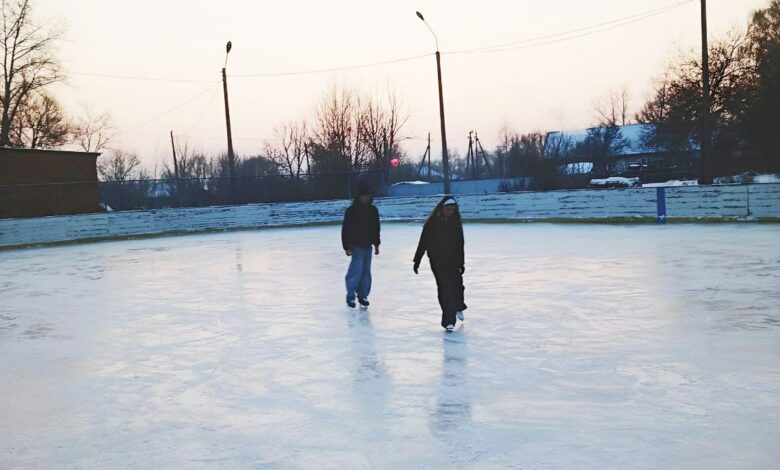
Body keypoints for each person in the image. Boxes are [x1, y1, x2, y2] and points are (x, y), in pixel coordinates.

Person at [413, 196, 467, 331]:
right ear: (442, 209)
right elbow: (423, 241)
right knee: (445, 288)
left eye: (453, 210)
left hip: (453, 259)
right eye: (448, 209)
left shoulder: (455, 222)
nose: (450, 212)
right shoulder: (432, 222)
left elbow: (460, 243)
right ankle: (448, 320)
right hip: (438, 261)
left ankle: (458, 306)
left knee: (457, 285)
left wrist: (461, 262)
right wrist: (417, 260)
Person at [341, 185, 380, 308]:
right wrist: (346, 246)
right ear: (359, 197)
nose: (366, 198)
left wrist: (377, 244)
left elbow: (376, 228)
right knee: (356, 270)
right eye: (364, 196)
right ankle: (350, 296)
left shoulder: (373, 210)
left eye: (368, 196)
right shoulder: (351, 210)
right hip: (356, 245)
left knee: (365, 272)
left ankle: (363, 295)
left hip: (368, 245)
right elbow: (345, 229)